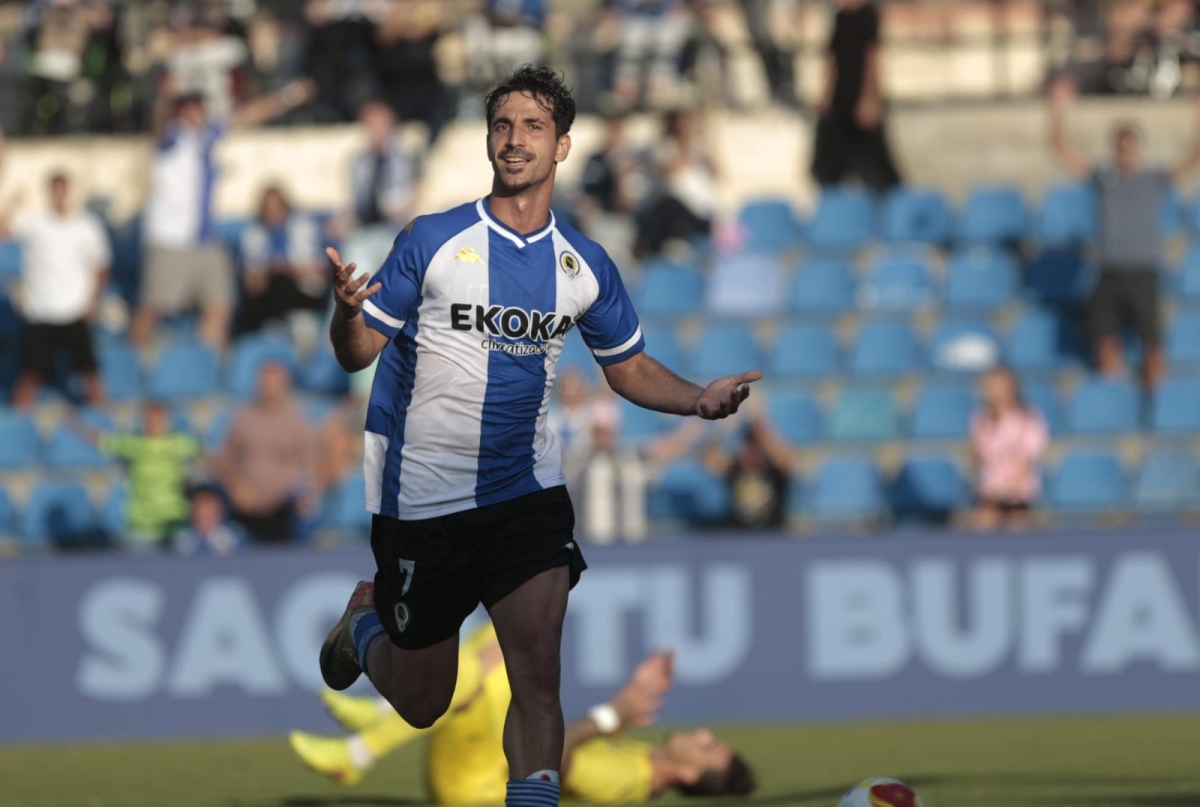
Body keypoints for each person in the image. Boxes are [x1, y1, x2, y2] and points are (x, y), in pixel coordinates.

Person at [321, 65, 761, 807]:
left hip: (523, 491)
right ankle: (365, 622)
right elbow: (357, 351)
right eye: (502, 125)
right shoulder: (433, 239)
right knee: (426, 700)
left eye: (532, 126)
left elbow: (627, 368)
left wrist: (697, 398)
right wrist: (343, 312)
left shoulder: (585, 265)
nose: (514, 139)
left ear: (562, 145)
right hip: (422, 500)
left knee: (537, 662)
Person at [290, 620, 756, 802]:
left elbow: (553, 764)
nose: (703, 733)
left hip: (476, 790)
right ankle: (380, 714)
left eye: (708, 747)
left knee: (483, 674)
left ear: (691, 777)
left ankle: (359, 753)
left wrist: (615, 712)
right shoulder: (637, 757)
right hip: (481, 767)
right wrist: (630, 700)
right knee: (502, 636)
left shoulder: (630, 782)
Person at [131, 77, 314, 349]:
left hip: (204, 240)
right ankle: (137, 364)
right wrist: (166, 96)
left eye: (198, 107)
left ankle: (206, 366)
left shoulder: (204, 138)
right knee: (153, 308)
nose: (196, 113)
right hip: (170, 242)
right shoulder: (170, 140)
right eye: (188, 107)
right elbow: (158, 121)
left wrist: (288, 96)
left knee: (221, 304)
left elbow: (246, 116)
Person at [1048, 80, 1200, 390]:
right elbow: (1061, 149)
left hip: (1144, 271)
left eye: (1131, 145)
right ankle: (1114, 400)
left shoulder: (1155, 179)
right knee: (1104, 341)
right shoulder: (1104, 179)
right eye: (1121, 145)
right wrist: (1058, 111)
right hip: (1110, 271)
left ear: (1139, 148)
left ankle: (1154, 406)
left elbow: (1193, 158)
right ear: (1115, 148)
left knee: (1153, 344)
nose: (1126, 151)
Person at [0, 172, 110, 408]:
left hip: (73, 311)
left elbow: (101, 267)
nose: (59, 196)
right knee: (31, 373)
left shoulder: (87, 226)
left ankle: (104, 424)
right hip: (40, 312)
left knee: (90, 374)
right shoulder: (35, 222)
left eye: (63, 190)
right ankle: (12, 426)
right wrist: (13, 202)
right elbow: (3, 230)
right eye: (55, 190)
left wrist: (93, 302)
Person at [214, 362, 318, 544]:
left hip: (284, 512)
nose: (269, 388)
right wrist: (237, 488)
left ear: (285, 385)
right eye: (265, 383)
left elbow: (310, 466)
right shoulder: (242, 421)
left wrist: (294, 491)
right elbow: (224, 462)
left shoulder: (297, 423)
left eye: (274, 383)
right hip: (245, 509)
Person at [811, 0, 901, 192]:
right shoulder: (840, 18)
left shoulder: (867, 16)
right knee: (827, 162)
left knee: (876, 165)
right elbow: (833, 62)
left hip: (860, 97)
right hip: (840, 99)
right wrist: (825, 95)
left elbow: (872, 58)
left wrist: (870, 98)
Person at [238, 184, 328, 337]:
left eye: (276, 206)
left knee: (282, 281)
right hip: (269, 295)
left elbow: (320, 269)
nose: (272, 212)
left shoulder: (304, 228)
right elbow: (250, 280)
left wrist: (286, 268)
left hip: (304, 291)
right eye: (268, 207)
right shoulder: (253, 235)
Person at [969, 366, 1048, 532]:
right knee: (984, 524)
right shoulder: (981, 419)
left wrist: (1009, 488)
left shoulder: (1028, 417)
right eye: (991, 385)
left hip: (1018, 492)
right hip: (990, 492)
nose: (995, 390)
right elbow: (978, 457)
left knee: (1018, 526)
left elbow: (1029, 458)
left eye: (1000, 385)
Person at [703, 410, 792, 531]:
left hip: (772, 536)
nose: (753, 453)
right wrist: (726, 430)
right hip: (739, 537)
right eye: (749, 447)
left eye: (757, 448)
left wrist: (762, 427)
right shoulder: (734, 468)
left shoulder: (774, 471)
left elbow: (788, 462)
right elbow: (710, 460)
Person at [173, 482, 247, 556]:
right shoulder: (180, 540)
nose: (203, 510)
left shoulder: (237, 538)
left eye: (207, 502)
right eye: (199, 503)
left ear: (220, 509)